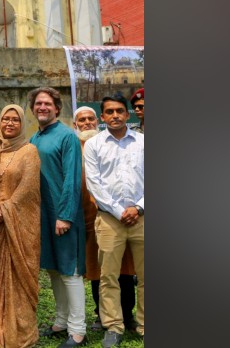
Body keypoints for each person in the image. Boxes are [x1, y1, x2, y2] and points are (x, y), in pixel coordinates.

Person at [84, 94, 145, 347]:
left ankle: (144, 324)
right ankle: (113, 326)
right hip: (109, 219)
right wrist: (120, 211)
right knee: (108, 276)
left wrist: (139, 208)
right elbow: (94, 184)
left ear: (128, 113)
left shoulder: (143, 142)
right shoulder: (94, 145)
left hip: (143, 218)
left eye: (120, 111)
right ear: (102, 117)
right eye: (109, 112)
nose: (115, 116)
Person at [28, 87, 86, 348]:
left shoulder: (67, 136)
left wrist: (64, 216)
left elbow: (72, 178)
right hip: (42, 215)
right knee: (53, 270)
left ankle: (77, 330)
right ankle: (61, 322)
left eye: (47, 103)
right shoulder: (34, 138)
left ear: (57, 108)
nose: (42, 107)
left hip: (63, 215)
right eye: (38, 103)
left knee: (70, 271)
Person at [73, 107, 137, 334]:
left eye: (91, 118)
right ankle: (103, 315)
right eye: (82, 120)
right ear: (75, 125)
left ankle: (127, 315)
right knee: (98, 269)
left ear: (97, 121)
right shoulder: (73, 149)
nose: (87, 123)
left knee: (125, 267)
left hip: (121, 216)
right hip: (90, 220)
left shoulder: (106, 143)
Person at [0, 104, 42, 348]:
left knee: (20, 272)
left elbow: (28, 188)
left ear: (21, 124)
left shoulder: (29, 151)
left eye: (15, 120)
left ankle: (22, 328)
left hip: (20, 221)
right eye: (5, 119)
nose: (9, 124)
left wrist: (4, 209)